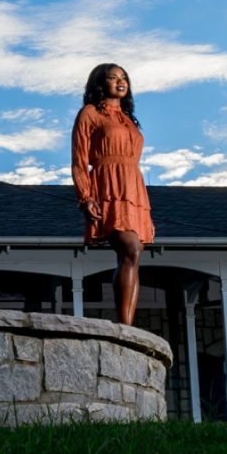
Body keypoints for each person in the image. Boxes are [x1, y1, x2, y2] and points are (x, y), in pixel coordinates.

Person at [71, 63, 155, 326]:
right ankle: (125, 326)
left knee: (134, 252)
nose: (120, 82)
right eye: (112, 77)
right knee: (130, 248)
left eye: (124, 78)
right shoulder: (90, 113)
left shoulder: (129, 120)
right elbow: (79, 160)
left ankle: (127, 324)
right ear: (100, 83)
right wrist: (86, 197)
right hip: (107, 185)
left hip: (133, 187)